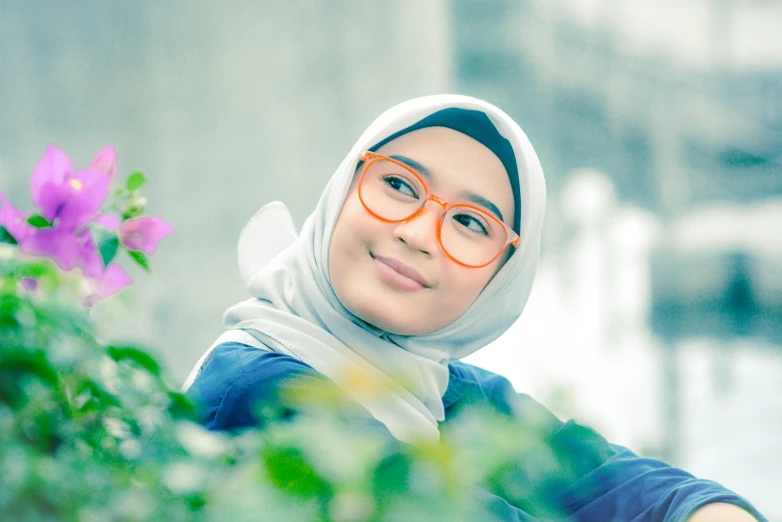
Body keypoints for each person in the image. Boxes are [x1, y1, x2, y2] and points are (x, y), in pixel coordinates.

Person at [183, 95, 766, 521]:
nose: (417, 233)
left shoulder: (428, 387)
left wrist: (709, 511)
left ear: (501, 275)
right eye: (400, 186)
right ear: (345, 187)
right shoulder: (263, 388)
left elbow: (592, 476)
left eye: (468, 222)